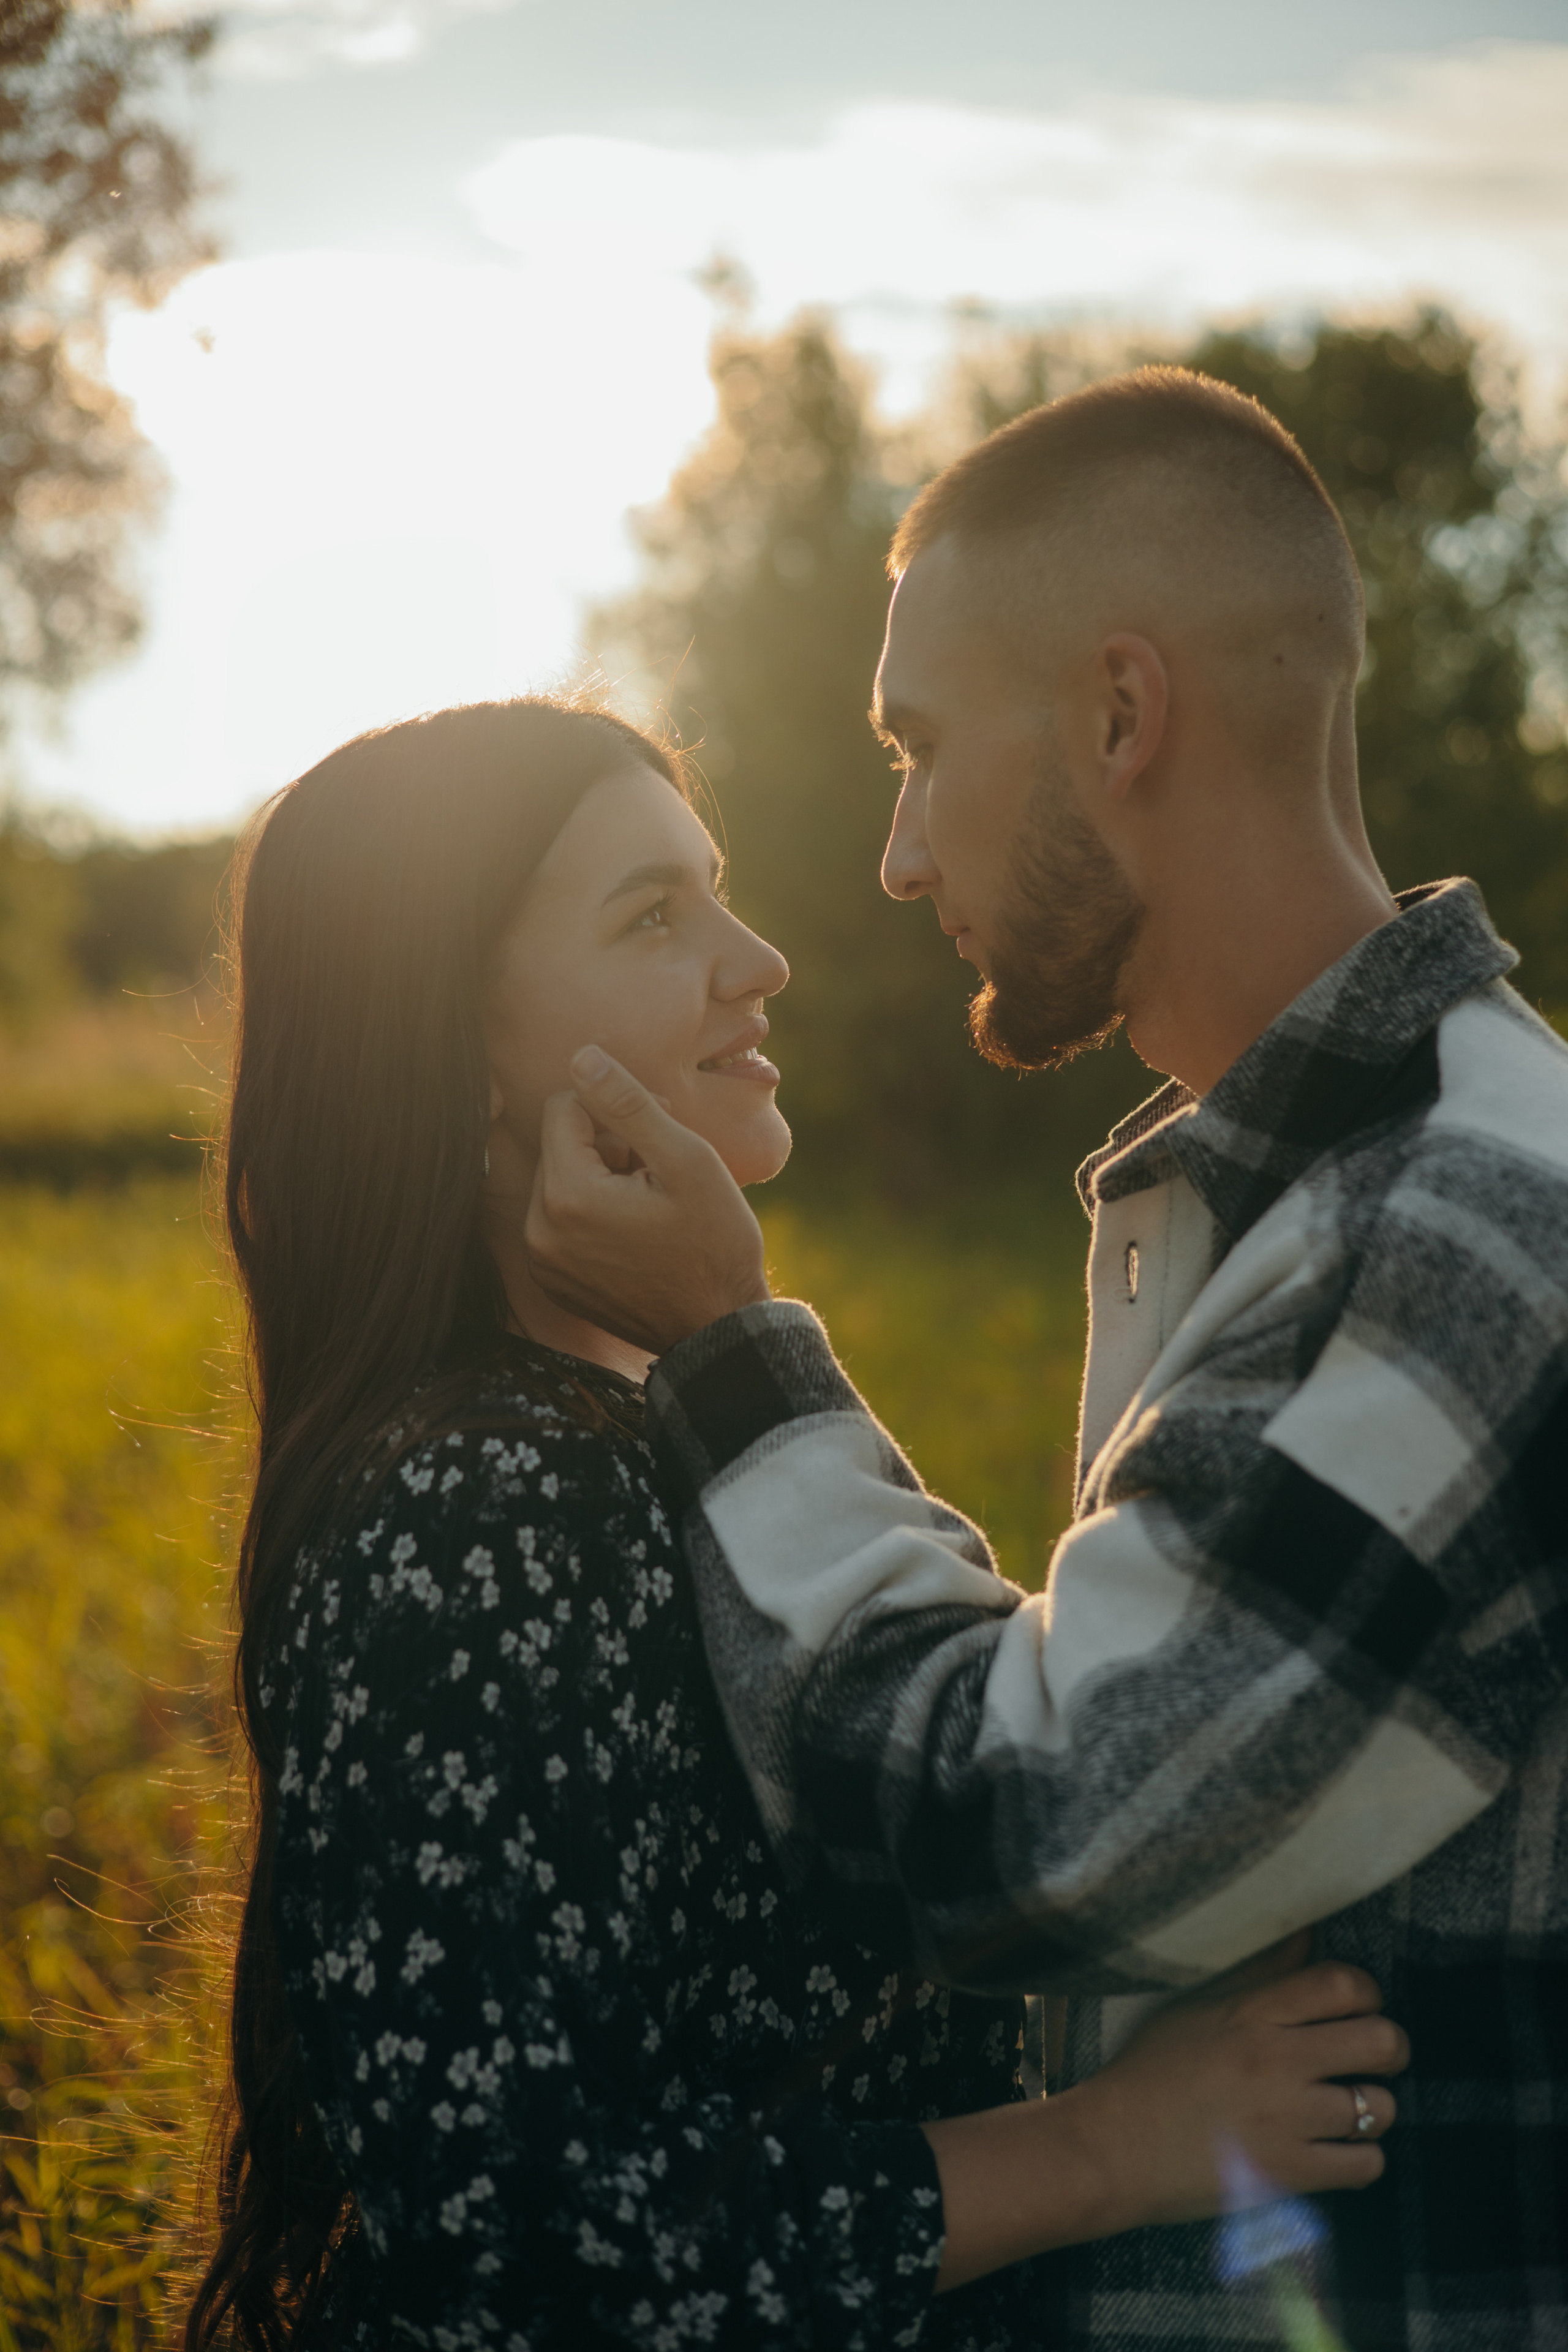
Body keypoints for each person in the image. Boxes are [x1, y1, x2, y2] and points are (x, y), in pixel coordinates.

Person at [526, 371, 1568, 2350]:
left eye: (919, 752)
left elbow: (1030, 1836)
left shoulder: (1468, 1225)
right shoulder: (1318, 1193)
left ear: (1116, 715)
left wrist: (732, 1359)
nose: (902, 855)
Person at [186, 696, 1403, 2352]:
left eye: (717, 887)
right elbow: (526, 2242)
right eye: (652, 915)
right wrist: (1109, 2146)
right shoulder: (480, 1504)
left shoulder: (643, 1437)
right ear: (450, 1050)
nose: (756, 958)